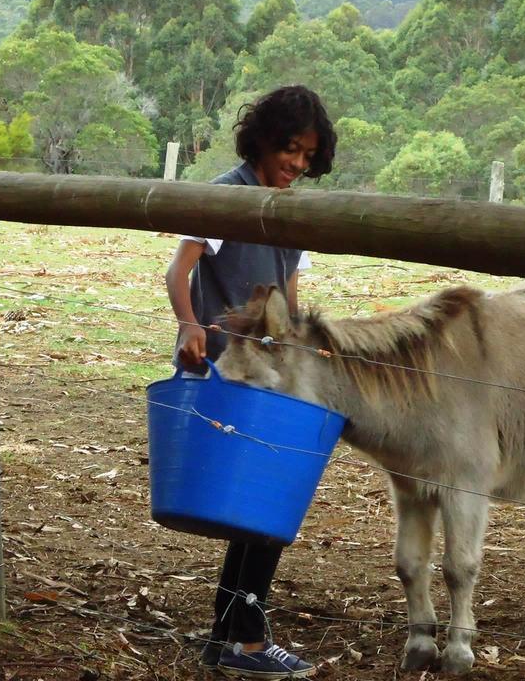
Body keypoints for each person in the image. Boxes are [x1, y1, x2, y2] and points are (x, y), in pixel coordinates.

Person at [164, 85, 336, 679]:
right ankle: (244, 641)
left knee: (263, 506)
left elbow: (288, 301)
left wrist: (308, 351)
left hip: (270, 379)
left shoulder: (291, 214)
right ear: (262, 139)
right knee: (266, 502)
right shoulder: (226, 197)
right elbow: (178, 270)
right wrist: (189, 325)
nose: (297, 164)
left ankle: (228, 636)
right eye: (291, 149)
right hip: (227, 373)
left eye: (308, 157)